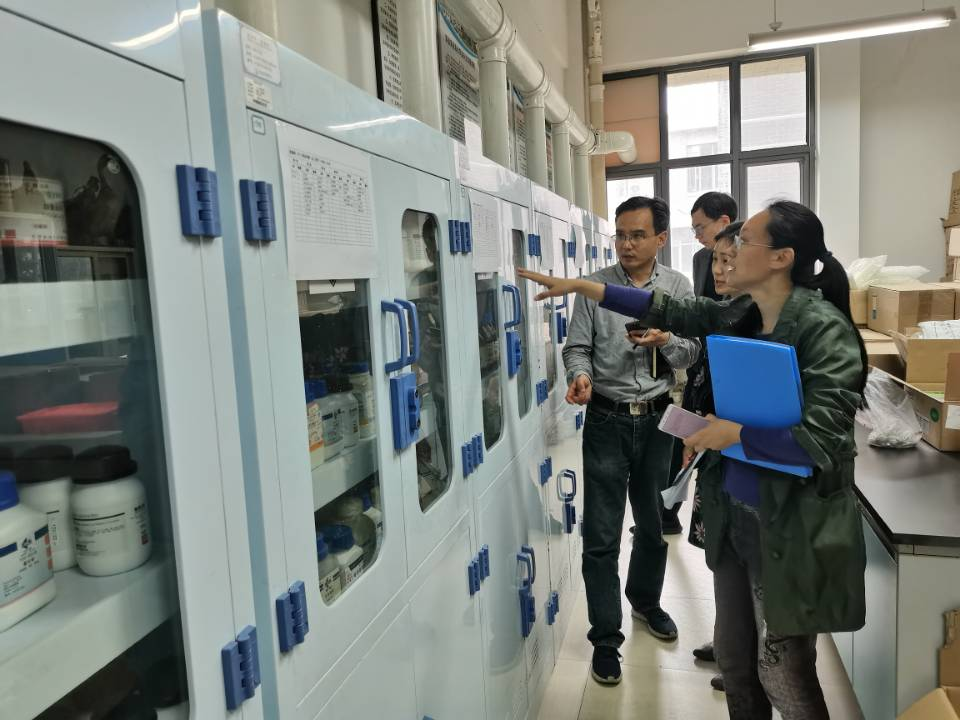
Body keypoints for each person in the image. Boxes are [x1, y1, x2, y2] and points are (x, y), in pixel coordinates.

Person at [520, 201, 868, 720]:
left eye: (743, 243)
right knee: (736, 663)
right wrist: (583, 287)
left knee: (784, 674)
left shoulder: (823, 329)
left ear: (782, 258)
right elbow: (673, 310)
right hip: (736, 515)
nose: (727, 254)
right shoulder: (744, 313)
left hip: (787, 523)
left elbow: (822, 439)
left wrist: (733, 433)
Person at [562, 196, 700, 686]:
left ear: (660, 238)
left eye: (637, 235)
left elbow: (691, 352)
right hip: (606, 420)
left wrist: (666, 341)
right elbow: (577, 347)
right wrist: (580, 375)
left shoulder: (677, 288)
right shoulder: (595, 286)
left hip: (659, 420)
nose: (626, 244)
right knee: (601, 534)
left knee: (653, 523)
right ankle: (605, 638)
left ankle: (645, 602)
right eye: (621, 234)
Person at [661, 191, 738, 537]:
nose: (696, 236)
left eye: (700, 227)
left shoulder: (747, 260)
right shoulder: (699, 258)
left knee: (716, 438)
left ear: (724, 222)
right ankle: (669, 510)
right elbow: (697, 309)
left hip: (728, 363)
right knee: (685, 433)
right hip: (701, 358)